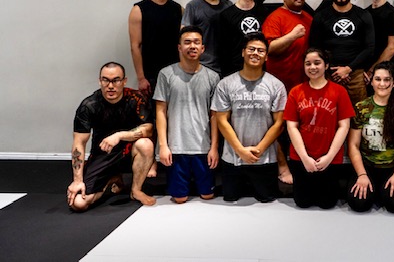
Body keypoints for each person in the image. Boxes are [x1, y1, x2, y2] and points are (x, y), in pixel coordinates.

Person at [67, 62, 156, 212]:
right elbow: (79, 143)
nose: (110, 85)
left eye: (116, 80)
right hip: (104, 155)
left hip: (129, 152)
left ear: (124, 81)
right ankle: (112, 177)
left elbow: (148, 129)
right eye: (106, 80)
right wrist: (77, 180)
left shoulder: (136, 99)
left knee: (145, 144)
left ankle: (136, 190)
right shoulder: (89, 106)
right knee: (78, 203)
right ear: (100, 81)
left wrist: (120, 135)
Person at [212, 32, 287, 202]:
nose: (255, 53)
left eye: (261, 51)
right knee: (231, 203)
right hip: (233, 158)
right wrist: (240, 150)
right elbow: (221, 120)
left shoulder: (276, 85)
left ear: (266, 56)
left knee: (267, 204)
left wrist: (259, 149)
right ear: (243, 52)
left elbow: (279, 123)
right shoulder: (225, 84)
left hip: (265, 159)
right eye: (251, 49)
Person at [154, 26, 221, 204]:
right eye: (187, 42)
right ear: (179, 47)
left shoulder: (213, 77)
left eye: (196, 42)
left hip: (203, 148)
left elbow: (215, 115)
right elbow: (160, 111)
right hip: (176, 147)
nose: (192, 46)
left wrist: (214, 147)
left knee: (208, 196)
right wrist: (163, 146)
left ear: (203, 48)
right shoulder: (166, 74)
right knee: (180, 199)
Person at [284, 48, 355, 209]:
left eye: (317, 63)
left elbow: (344, 126)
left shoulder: (339, 91)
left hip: (329, 158)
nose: (312, 67)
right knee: (302, 203)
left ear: (327, 65)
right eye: (308, 64)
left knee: (327, 203)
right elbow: (292, 126)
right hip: (301, 158)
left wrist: (330, 156)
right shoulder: (296, 92)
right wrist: (304, 157)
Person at [347, 61, 394, 213]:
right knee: (358, 204)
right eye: (378, 79)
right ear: (371, 81)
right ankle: (375, 190)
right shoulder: (361, 108)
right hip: (367, 166)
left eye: (387, 79)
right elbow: (353, 146)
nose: (382, 84)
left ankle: (382, 191)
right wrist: (361, 175)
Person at [262, 0, 313, 184]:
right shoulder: (276, 18)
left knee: (301, 130)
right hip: (279, 86)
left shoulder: (309, 18)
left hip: (303, 87)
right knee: (278, 129)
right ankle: (281, 168)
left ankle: (302, 168)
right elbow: (269, 49)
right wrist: (292, 35)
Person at [309, 0, 375, 105]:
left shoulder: (363, 15)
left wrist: (348, 69)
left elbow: (370, 47)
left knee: (358, 118)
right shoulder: (320, 17)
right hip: (328, 75)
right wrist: (332, 70)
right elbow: (314, 48)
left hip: (356, 75)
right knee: (329, 117)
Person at [128, 0, 183, 97]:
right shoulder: (138, 10)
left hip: (176, 74)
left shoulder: (179, 9)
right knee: (154, 116)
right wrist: (141, 78)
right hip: (150, 76)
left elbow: (183, 45)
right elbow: (135, 46)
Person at [181, 0, 234, 74]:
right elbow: (184, 37)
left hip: (227, 65)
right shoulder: (192, 6)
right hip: (202, 66)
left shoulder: (228, 5)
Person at [219, 0, 270, 77]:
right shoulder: (227, 15)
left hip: (260, 69)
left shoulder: (264, 12)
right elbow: (224, 50)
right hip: (235, 70)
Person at [364, 0, 394, 84]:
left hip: (384, 72)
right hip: (363, 71)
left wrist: (372, 70)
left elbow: (392, 47)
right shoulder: (363, 13)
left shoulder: (392, 14)